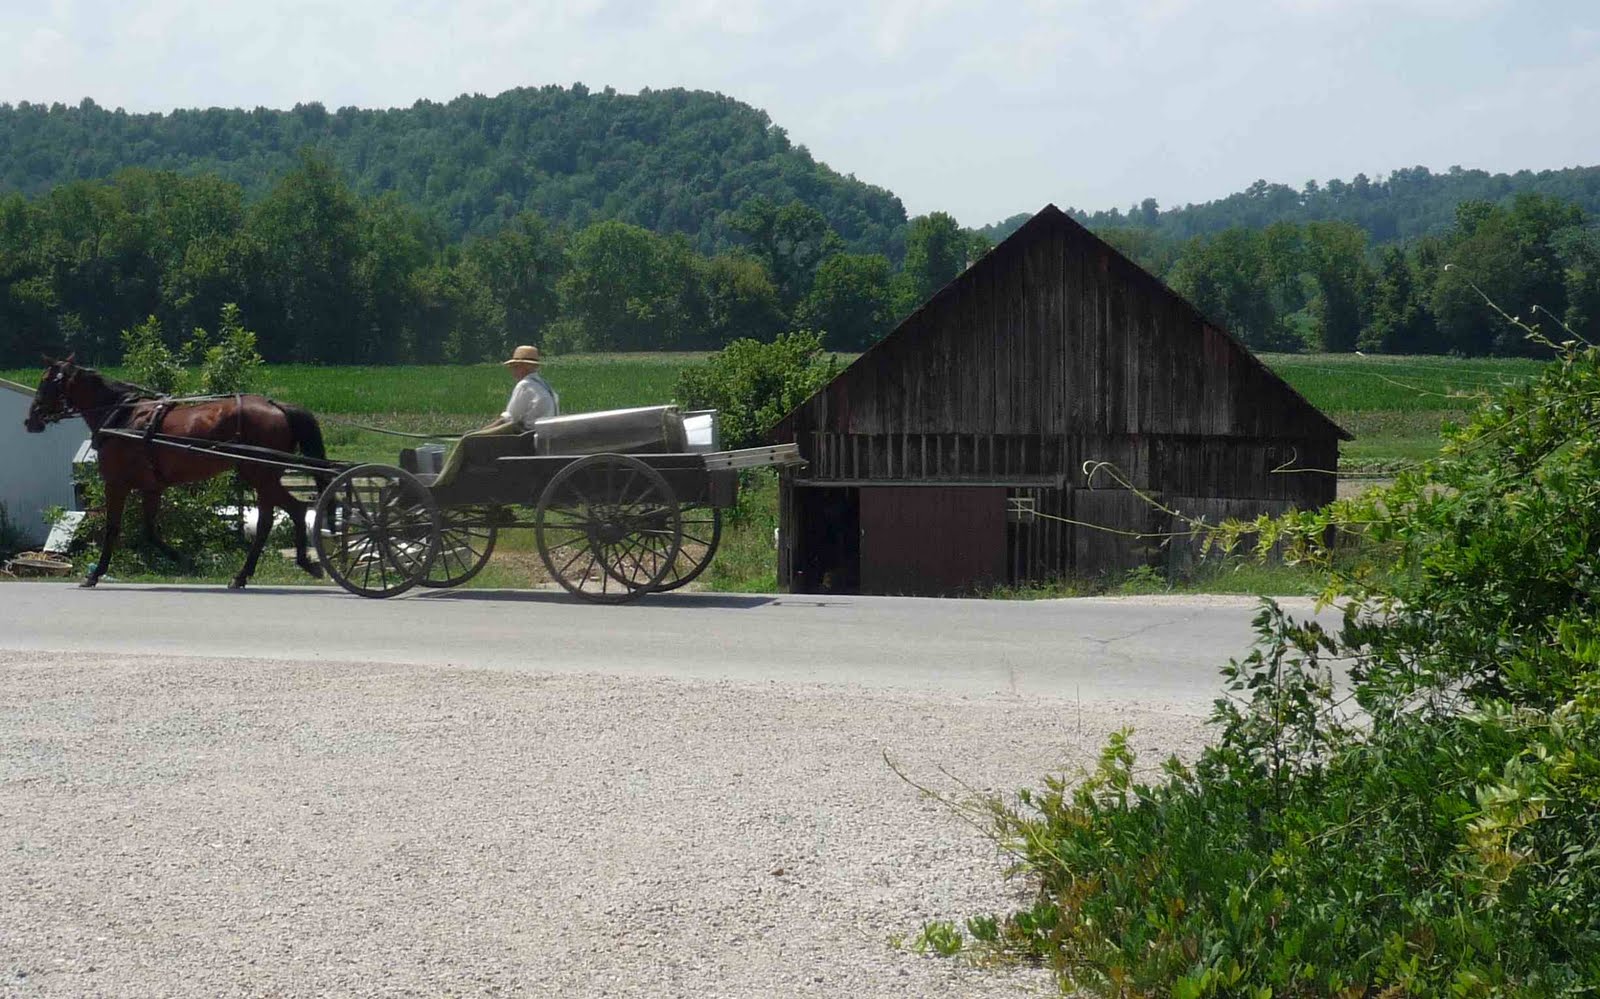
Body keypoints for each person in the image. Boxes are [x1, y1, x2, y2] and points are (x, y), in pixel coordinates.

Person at [433, 345, 559, 485]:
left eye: (514, 367)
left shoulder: (525, 385)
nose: (512, 371)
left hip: (525, 436)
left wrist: (482, 431)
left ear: (523, 367)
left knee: (468, 440)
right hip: (540, 435)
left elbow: (508, 419)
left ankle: (443, 482)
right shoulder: (545, 386)